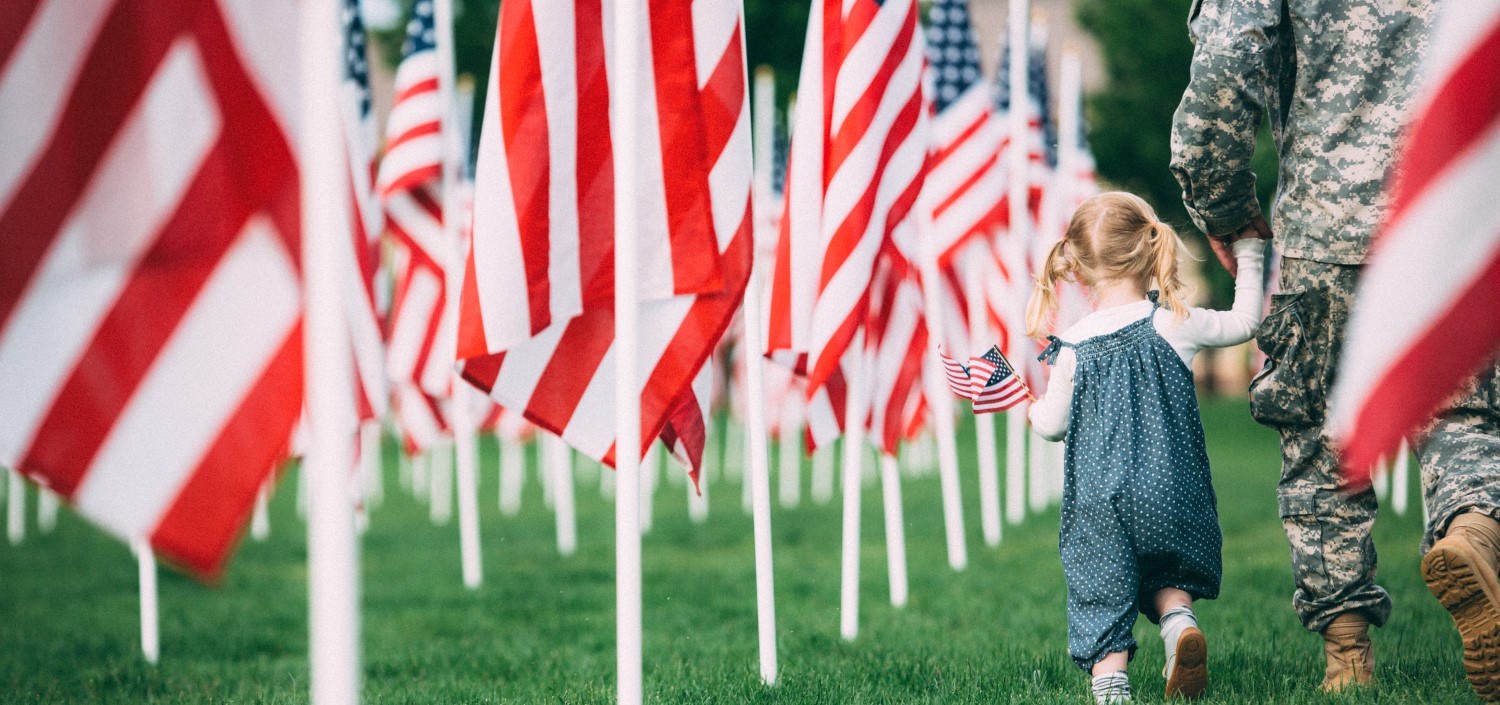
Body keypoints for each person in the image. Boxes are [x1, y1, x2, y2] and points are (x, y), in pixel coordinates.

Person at [1171, 0, 1500, 699]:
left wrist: (1224, 207)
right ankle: (1474, 529)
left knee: (1322, 438)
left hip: (1326, 224)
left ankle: (1347, 655)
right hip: (1453, 201)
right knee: (1465, 412)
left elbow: (1226, 61)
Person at [1026, 191, 1266, 703]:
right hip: (1168, 487)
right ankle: (1179, 627)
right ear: (1145, 247)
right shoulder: (1174, 321)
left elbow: (1050, 426)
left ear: (1079, 266)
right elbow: (1246, 323)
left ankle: (1111, 686)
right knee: (1169, 572)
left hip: (1100, 503)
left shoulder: (1072, 344)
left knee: (1103, 590)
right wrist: (1248, 253)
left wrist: (1028, 405)